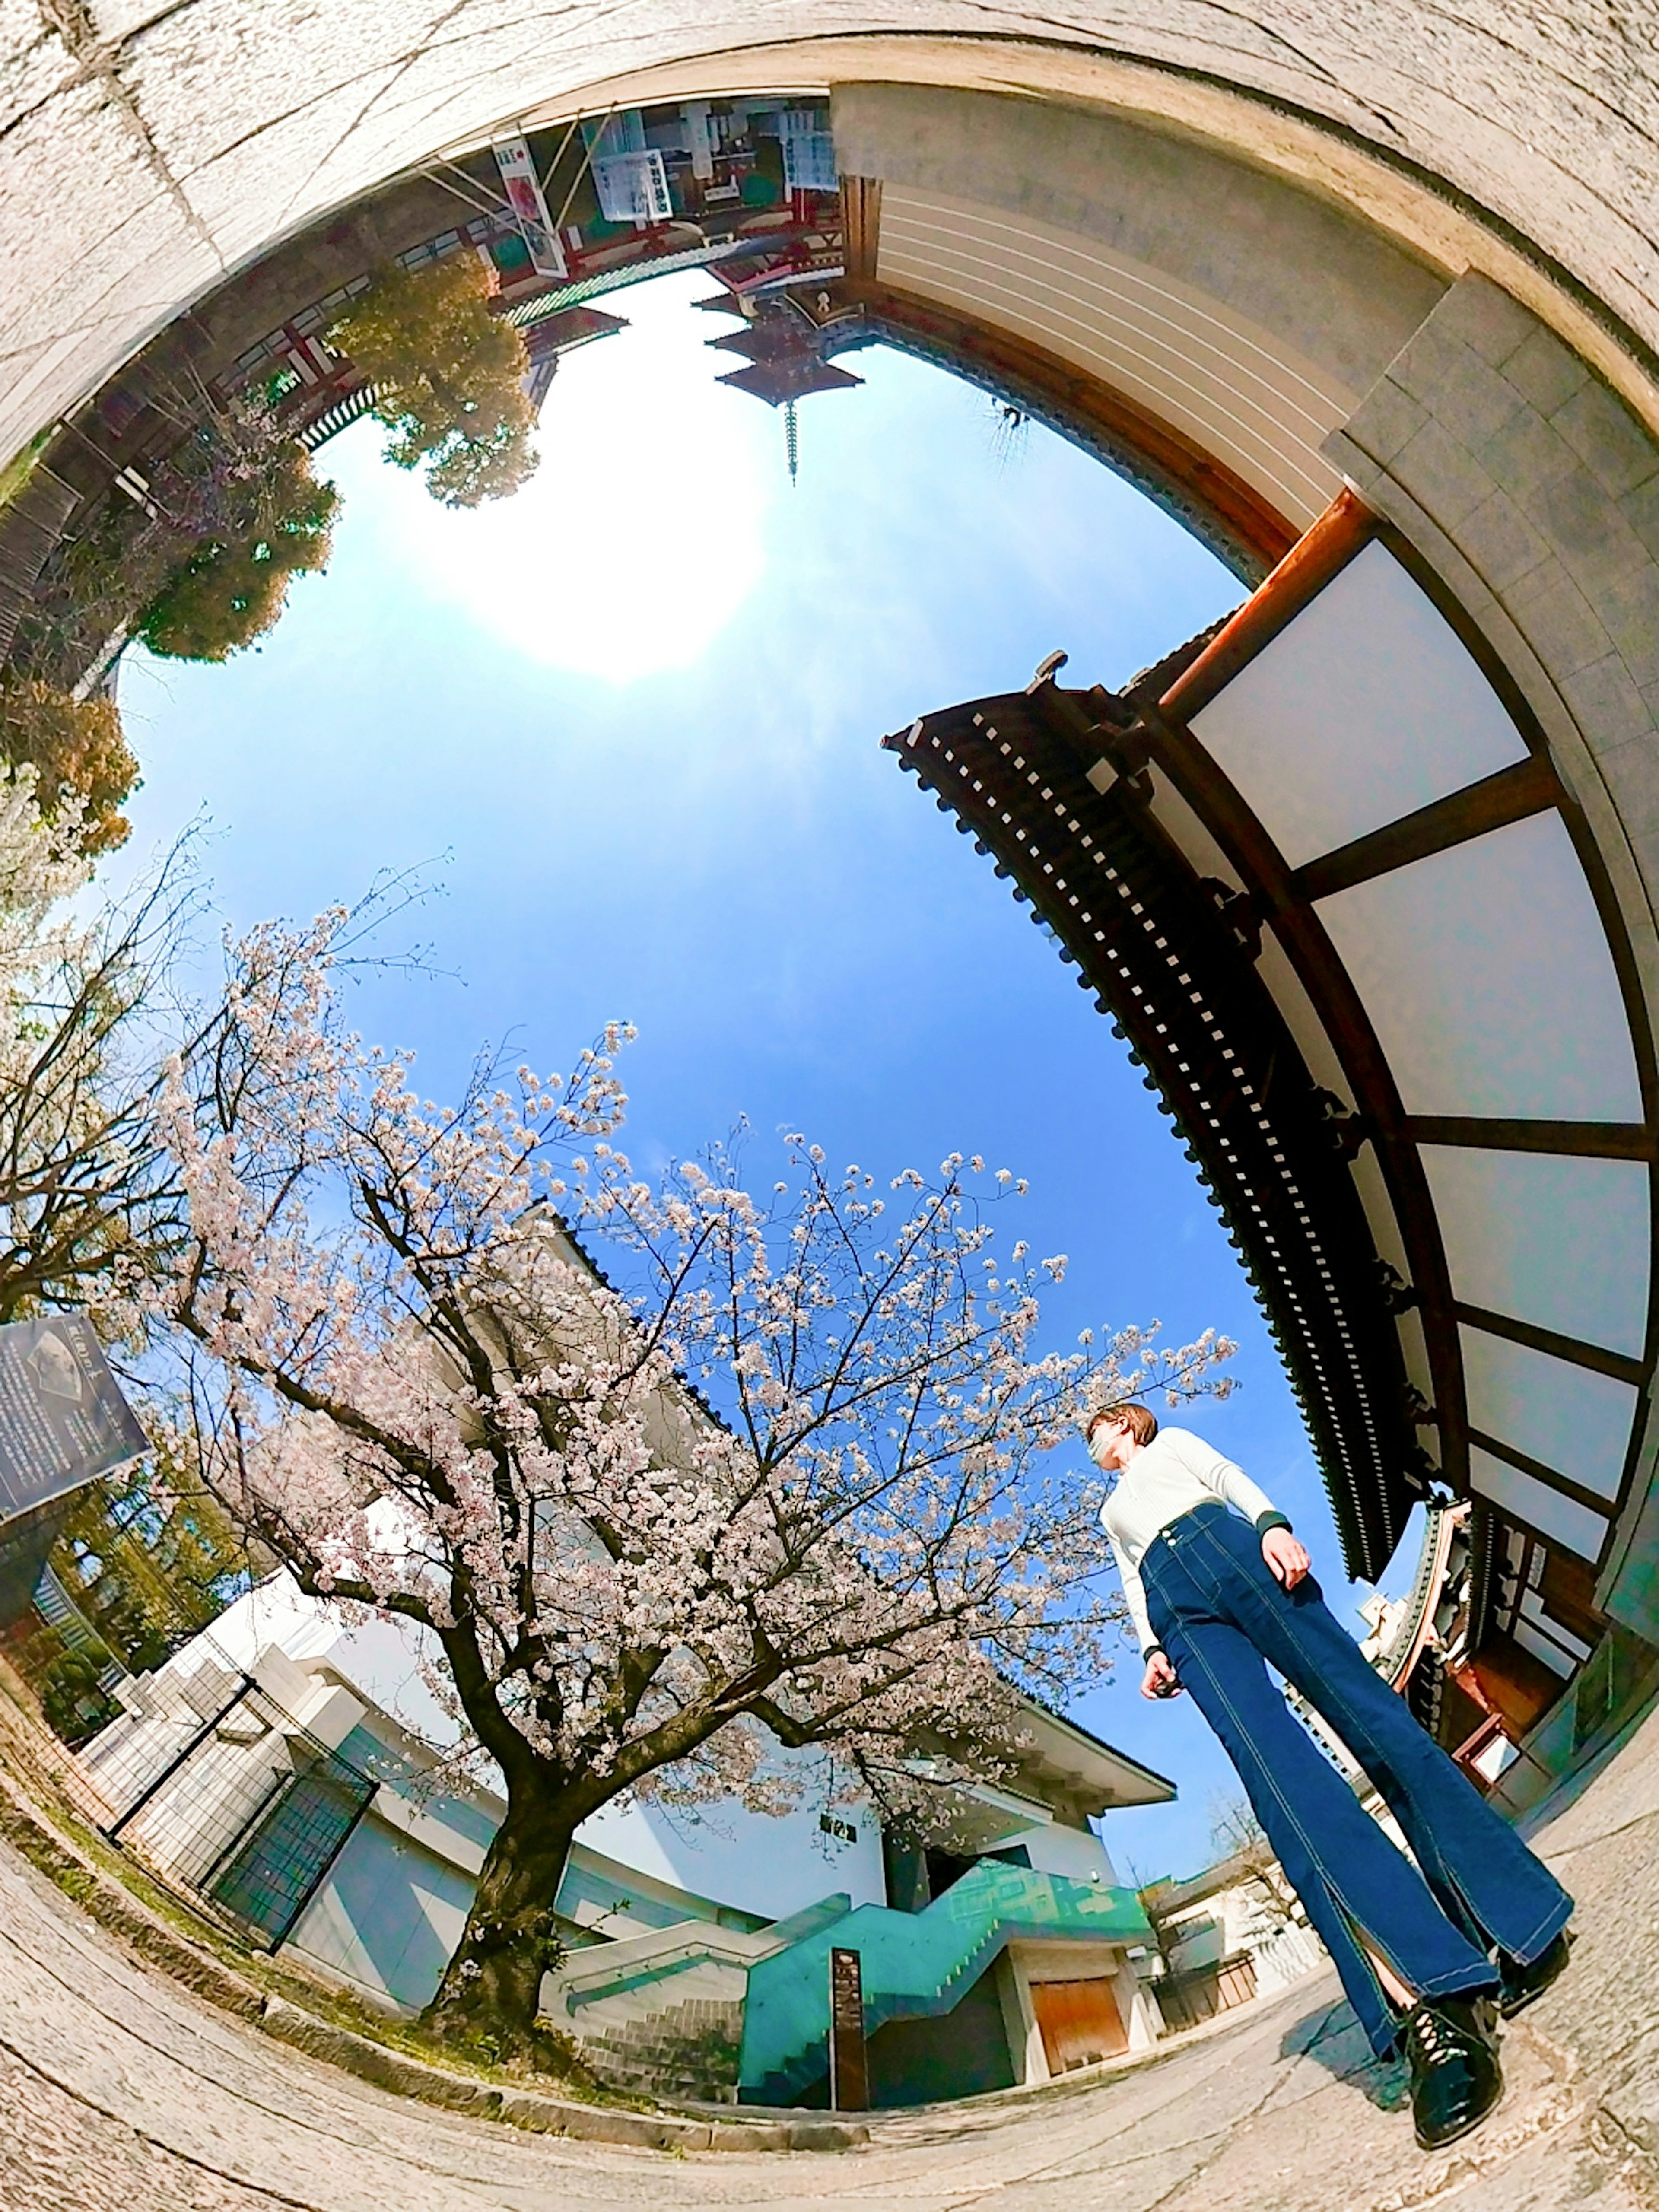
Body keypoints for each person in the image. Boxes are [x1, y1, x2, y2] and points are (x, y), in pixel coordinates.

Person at [1089, 1402, 1573, 2150]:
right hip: (1179, 1610)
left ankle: (1512, 1922)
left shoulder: (1173, 1446)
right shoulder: (1113, 1511)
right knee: (1278, 1782)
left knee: (1372, 1721)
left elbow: (1228, 1477)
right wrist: (1151, 1644)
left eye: (1101, 1430)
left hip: (1232, 1545)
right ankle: (1429, 2004)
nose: (1094, 1444)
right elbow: (1129, 1580)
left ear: (1129, 1426)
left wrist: (1272, 1523)